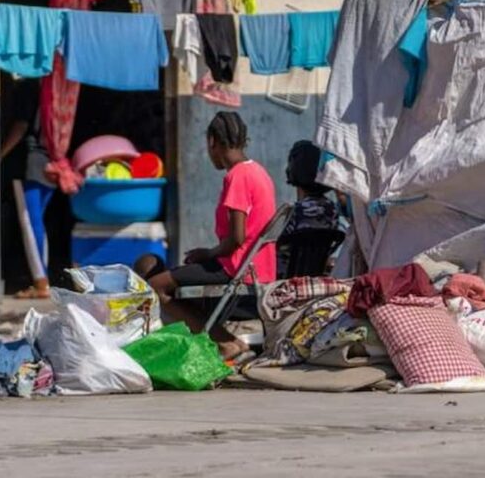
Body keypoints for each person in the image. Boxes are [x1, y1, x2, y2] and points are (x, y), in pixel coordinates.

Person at [134, 111, 275, 359]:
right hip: (256, 267)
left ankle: (227, 342)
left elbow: (237, 238)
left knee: (157, 286)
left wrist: (207, 253)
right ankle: (222, 339)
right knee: (173, 276)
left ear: (213, 142)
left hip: (237, 268)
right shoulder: (258, 171)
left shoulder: (237, 176)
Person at [0, 76, 54, 299]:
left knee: (30, 224)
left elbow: (21, 126)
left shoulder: (28, 87)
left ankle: (41, 283)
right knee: (38, 223)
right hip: (50, 162)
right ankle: (43, 279)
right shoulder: (53, 87)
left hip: (28, 163)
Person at [277, 140, 344, 276]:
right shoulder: (332, 210)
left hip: (284, 280)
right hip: (316, 278)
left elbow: (280, 250)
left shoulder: (295, 212)